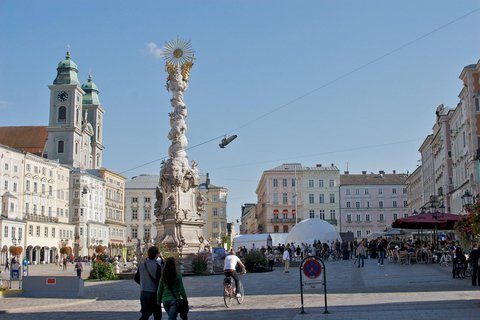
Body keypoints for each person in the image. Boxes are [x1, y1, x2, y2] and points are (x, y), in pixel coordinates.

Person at [139, 246, 162, 320]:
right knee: (157, 315)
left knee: (145, 315)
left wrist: (144, 282)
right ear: (156, 255)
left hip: (143, 293)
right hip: (153, 293)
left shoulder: (142, 265)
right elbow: (159, 281)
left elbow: (136, 278)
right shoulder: (156, 266)